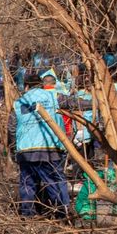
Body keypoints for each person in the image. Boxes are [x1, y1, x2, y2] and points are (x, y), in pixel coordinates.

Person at [9, 68, 70, 217]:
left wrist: (14, 149)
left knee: (27, 183)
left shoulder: (18, 103)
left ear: (26, 86)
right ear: (41, 85)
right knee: (55, 182)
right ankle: (64, 214)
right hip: (50, 148)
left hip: (26, 151)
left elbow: (11, 128)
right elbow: (72, 107)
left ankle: (28, 216)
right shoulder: (53, 97)